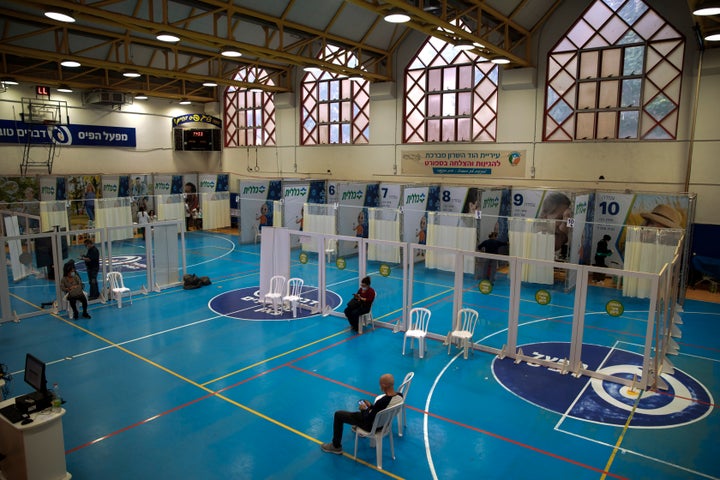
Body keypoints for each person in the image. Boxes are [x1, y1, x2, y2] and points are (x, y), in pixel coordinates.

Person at [321, 373, 402, 455]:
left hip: (371, 427)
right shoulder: (400, 396)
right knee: (361, 411)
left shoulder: (382, 401)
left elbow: (368, 419)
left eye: (380, 384)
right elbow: (379, 410)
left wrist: (364, 410)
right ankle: (356, 425)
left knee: (338, 415)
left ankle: (335, 446)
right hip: (385, 424)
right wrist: (370, 406)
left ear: (384, 385)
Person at [538, 192, 572, 260]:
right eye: (559, 218)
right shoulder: (540, 233)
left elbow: (571, 231)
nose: (563, 221)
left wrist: (569, 219)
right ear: (545, 216)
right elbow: (556, 245)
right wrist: (564, 226)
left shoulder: (558, 230)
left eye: (565, 218)